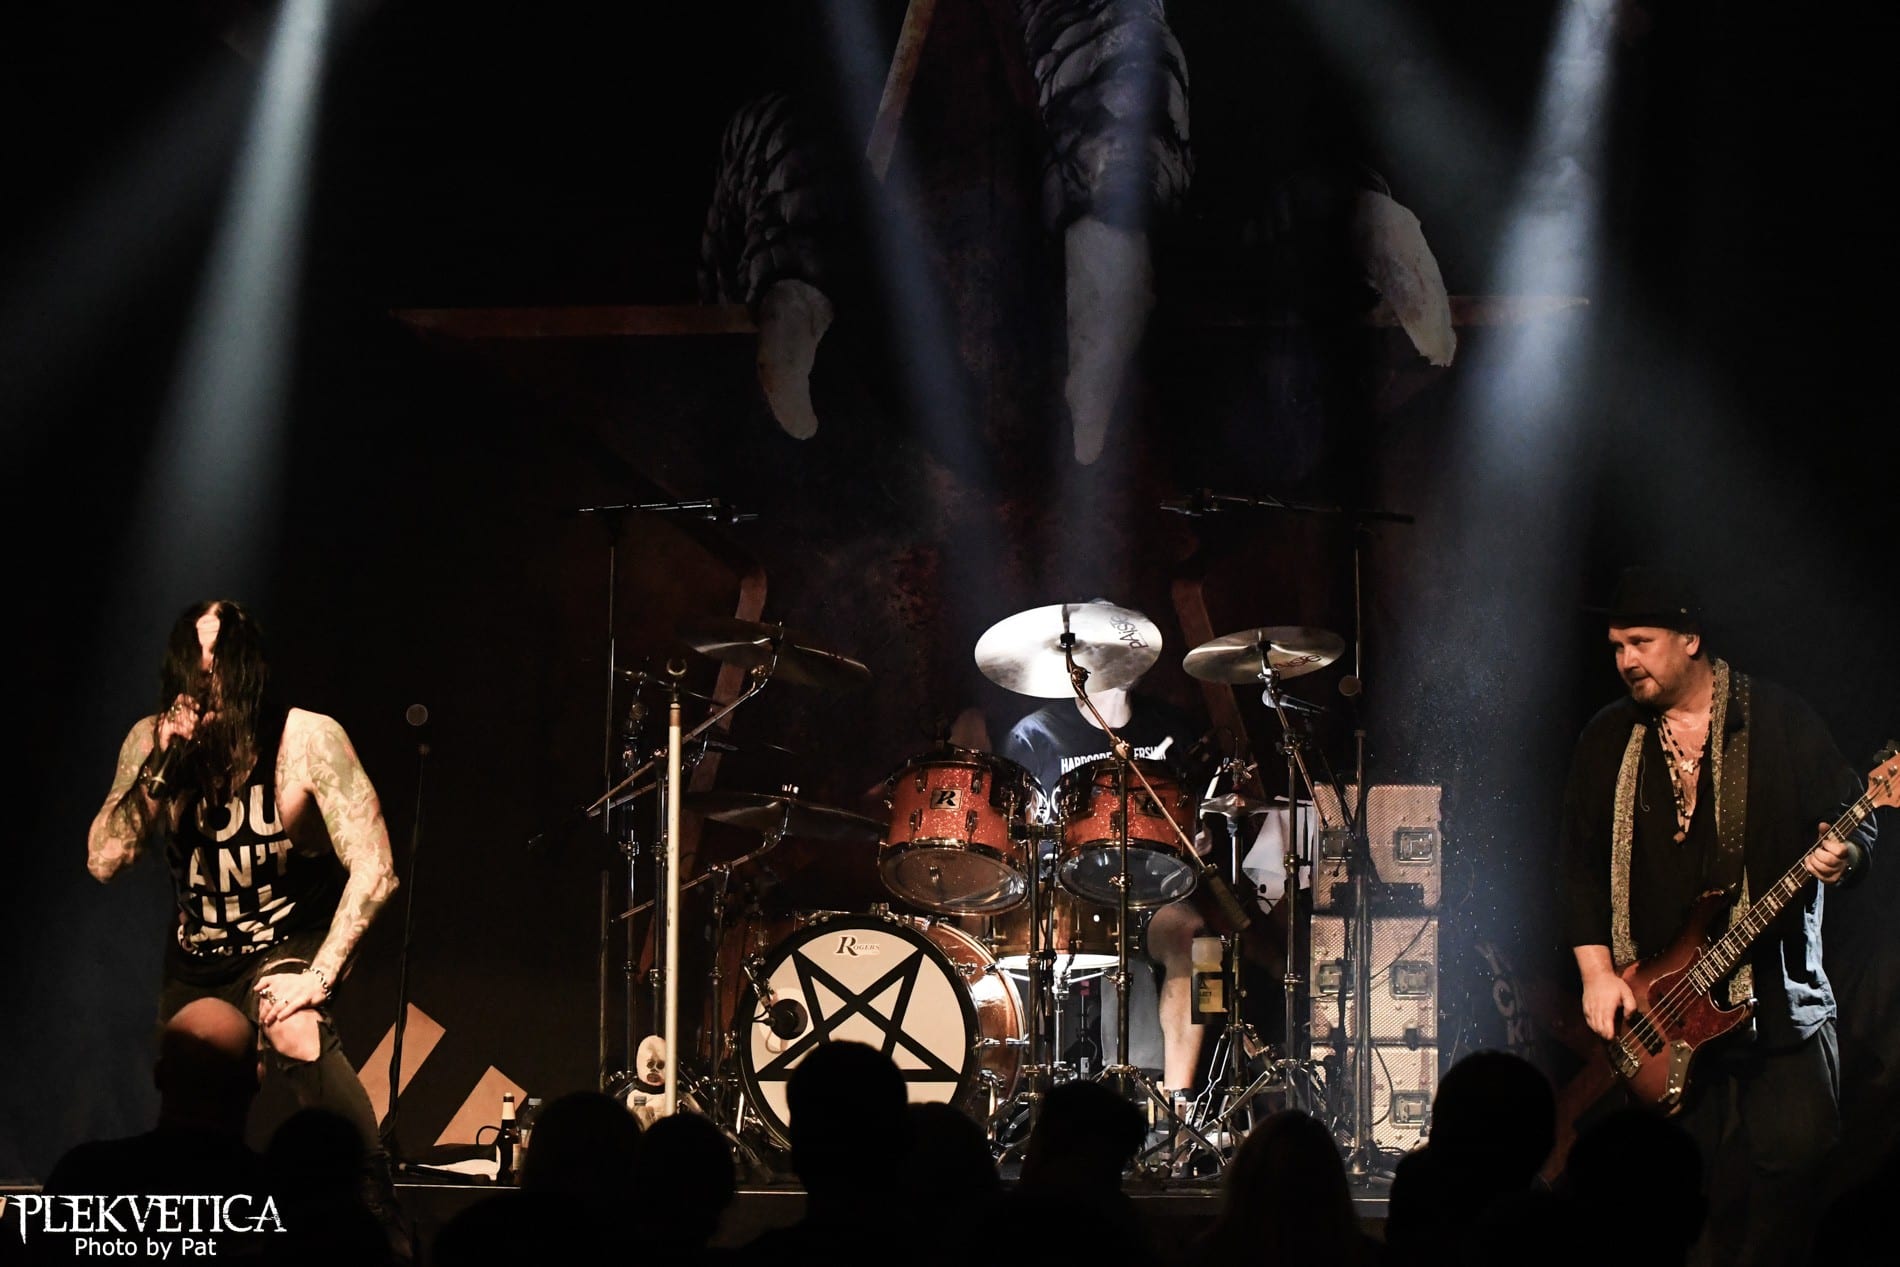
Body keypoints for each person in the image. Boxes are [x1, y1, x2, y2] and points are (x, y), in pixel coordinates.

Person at [1557, 566, 1874, 1267]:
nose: (1625, 660)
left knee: (1795, 1177)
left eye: (1640, 642)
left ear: (1690, 638)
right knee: (1666, 1203)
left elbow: (1857, 816)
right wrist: (1596, 972)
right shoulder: (1608, 737)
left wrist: (1845, 854)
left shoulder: (1779, 719)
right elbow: (1577, 862)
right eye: (1616, 647)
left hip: (1777, 1006)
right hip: (1659, 1009)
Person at [84, 600, 406, 1248]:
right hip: (200, 951)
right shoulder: (152, 742)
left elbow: (376, 867)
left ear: (246, 668)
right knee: (193, 1074)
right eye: (194, 660)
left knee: (292, 1027)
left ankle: (372, 1202)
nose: (206, 675)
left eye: (219, 659)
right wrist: (157, 771)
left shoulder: (304, 739)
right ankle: (200, 1223)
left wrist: (319, 976)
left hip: (285, 938)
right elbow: (104, 860)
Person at [999, 650, 1210, 1101]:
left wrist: (1200, 835)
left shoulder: (1171, 728)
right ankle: (1034, 1095)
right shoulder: (1036, 735)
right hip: (1065, 891)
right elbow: (1017, 833)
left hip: (1150, 888)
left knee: (1201, 944)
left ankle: (1177, 1105)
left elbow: (1192, 813)